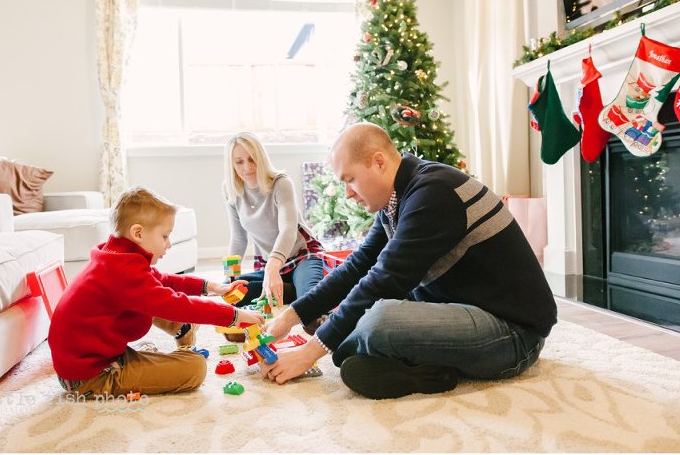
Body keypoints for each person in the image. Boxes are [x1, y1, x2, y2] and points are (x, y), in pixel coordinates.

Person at [261, 122, 557, 399]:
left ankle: (415, 365)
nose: (348, 193)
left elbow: (385, 279)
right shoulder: (397, 199)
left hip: (512, 334)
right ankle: (426, 369)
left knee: (378, 320)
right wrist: (290, 317)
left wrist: (310, 352)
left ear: (379, 162)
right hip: (464, 309)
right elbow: (358, 267)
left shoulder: (433, 193)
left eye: (350, 179)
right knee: (356, 327)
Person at [48, 187, 264, 398]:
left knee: (156, 295)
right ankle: (175, 336)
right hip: (90, 376)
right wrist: (233, 316)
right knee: (195, 367)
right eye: (165, 236)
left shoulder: (115, 257)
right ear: (138, 233)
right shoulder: (123, 273)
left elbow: (162, 280)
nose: (168, 244)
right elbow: (176, 304)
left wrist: (211, 287)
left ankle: (182, 329)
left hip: (91, 358)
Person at [223, 132, 324, 315]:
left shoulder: (281, 183)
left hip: (301, 256)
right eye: (239, 161)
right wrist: (231, 276)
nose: (247, 167)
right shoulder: (230, 189)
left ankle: (296, 287)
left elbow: (288, 230)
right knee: (229, 294)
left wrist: (272, 267)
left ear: (261, 158)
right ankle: (287, 288)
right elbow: (238, 238)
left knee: (310, 305)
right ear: (231, 164)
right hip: (267, 265)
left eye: (252, 159)